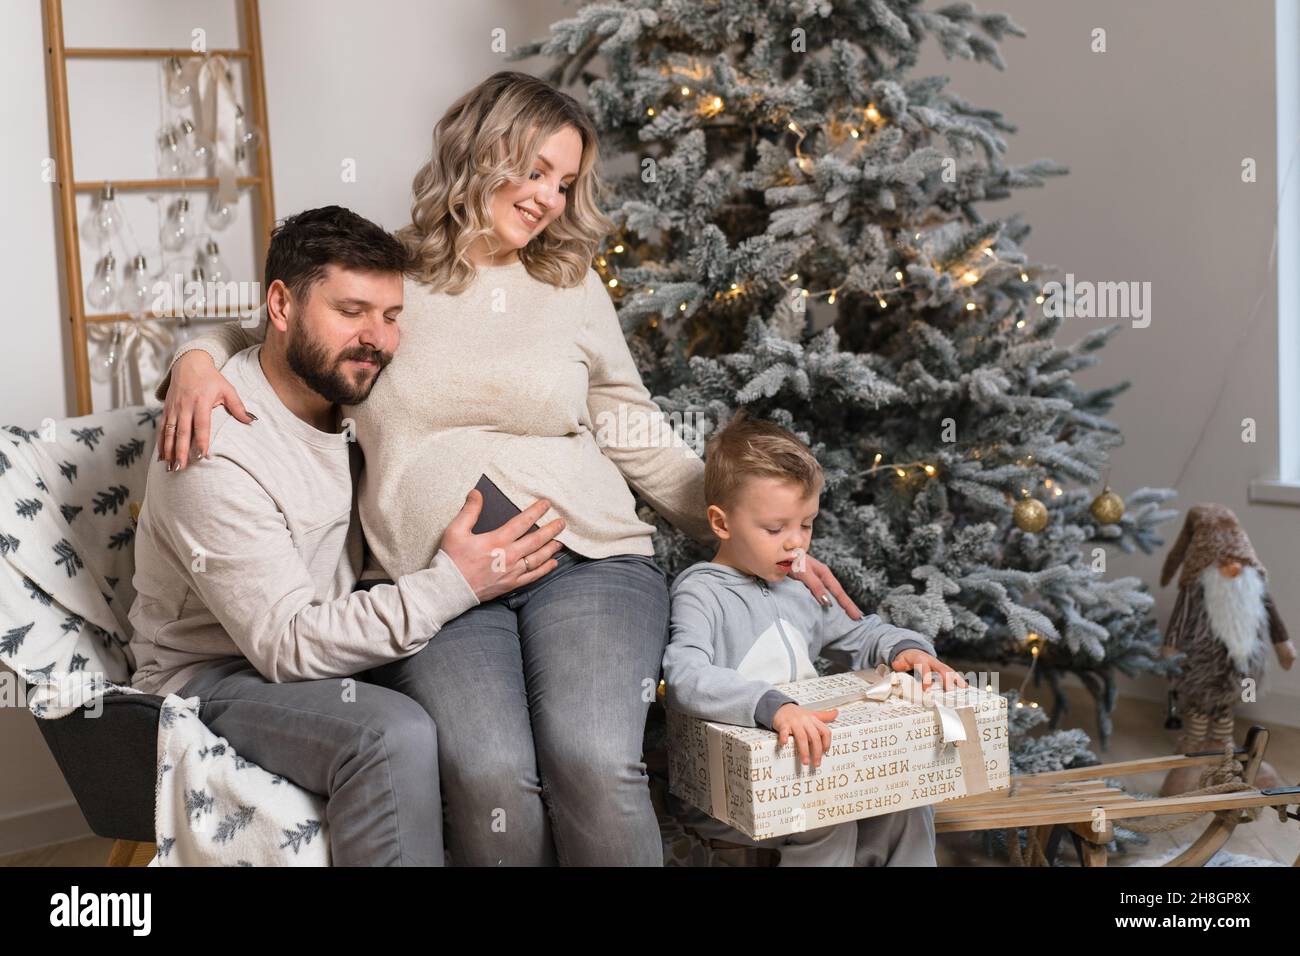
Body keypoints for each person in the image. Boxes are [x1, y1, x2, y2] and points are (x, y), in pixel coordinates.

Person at [152, 72, 863, 866]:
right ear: (479, 152)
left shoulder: (569, 284)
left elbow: (632, 429)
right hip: (438, 580)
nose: (548, 199)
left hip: (587, 559)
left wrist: (762, 531)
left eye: (564, 182)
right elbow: (271, 331)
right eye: (533, 171)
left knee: (591, 760)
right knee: (488, 774)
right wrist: (192, 359)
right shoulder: (387, 279)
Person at [128, 205, 564, 865]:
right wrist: (456, 582)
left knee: (494, 724)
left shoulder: (351, 388)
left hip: (332, 638)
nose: (377, 339)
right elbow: (284, 645)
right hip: (214, 673)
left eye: (390, 316)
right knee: (390, 734)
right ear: (281, 305)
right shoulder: (215, 444)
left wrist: (194, 350)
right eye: (351, 310)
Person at [662, 410, 961, 865]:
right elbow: (685, 676)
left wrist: (906, 650)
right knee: (825, 818)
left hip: (812, 763)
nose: (795, 543)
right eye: (775, 528)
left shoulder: (802, 585)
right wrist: (772, 705)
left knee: (906, 801)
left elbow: (861, 634)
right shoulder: (701, 590)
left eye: (806, 524)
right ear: (721, 524)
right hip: (727, 787)